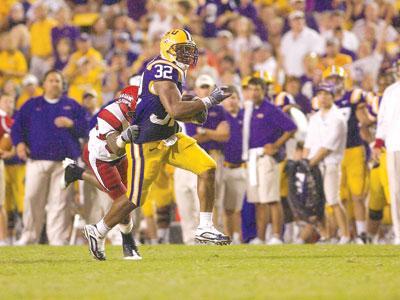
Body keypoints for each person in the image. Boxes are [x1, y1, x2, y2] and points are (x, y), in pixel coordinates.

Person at [83, 28, 232, 260]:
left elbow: (170, 108)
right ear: (168, 50)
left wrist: (194, 108)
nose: (187, 55)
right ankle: (98, 230)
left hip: (170, 136)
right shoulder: (163, 70)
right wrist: (208, 101)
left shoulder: (173, 70)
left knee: (207, 167)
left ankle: (204, 227)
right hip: (147, 143)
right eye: (182, 50)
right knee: (134, 198)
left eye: (188, 50)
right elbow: (175, 109)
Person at [62, 83, 141, 259]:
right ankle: (126, 242)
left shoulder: (139, 106)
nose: (136, 115)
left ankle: (77, 173)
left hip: (120, 157)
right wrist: (125, 137)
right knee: (123, 201)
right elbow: (115, 147)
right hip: (102, 158)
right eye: (133, 112)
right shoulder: (109, 115)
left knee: (123, 198)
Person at [11, 70, 89, 245]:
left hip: (65, 162)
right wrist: (20, 144)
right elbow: (17, 128)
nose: (54, 83)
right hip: (36, 160)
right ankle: (29, 235)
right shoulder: (31, 105)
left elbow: (86, 129)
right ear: (44, 84)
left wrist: (71, 124)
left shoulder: (72, 105)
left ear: (63, 85)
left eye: (58, 81)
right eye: (51, 80)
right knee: (31, 198)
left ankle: (57, 239)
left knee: (60, 202)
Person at [242, 77, 297, 245]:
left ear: (264, 91)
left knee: (271, 198)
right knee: (258, 201)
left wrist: (275, 145)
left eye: (257, 89)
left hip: (267, 158)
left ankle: (276, 236)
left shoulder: (270, 108)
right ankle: (260, 237)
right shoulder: (248, 109)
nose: (254, 92)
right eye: (251, 89)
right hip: (252, 158)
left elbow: (291, 127)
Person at [321, 65, 371, 243]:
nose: (334, 82)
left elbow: (364, 121)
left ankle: (362, 234)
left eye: (337, 78)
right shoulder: (324, 102)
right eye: (331, 79)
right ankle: (341, 234)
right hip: (334, 153)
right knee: (337, 197)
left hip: (354, 149)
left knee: (357, 194)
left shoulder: (353, 96)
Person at [303, 83, 350, 244]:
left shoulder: (338, 118)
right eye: (320, 94)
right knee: (319, 203)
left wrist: (308, 163)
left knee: (333, 199)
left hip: (329, 164)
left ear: (333, 96)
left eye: (326, 94)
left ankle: (345, 235)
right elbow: (308, 144)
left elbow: (328, 147)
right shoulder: (315, 118)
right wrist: (305, 162)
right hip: (314, 164)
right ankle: (327, 235)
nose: (322, 98)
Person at [373, 60, 400, 245]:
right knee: (396, 191)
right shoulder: (390, 91)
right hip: (394, 144)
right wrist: (378, 142)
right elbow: (383, 120)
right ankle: (399, 234)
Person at [220, 86, 245, 244]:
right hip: (225, 165)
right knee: (226, 207)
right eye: (227, 98)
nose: (231, 101)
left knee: (238, 207)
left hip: (242, 166)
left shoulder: (245, 115)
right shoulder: (220, 117)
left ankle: (239, 236)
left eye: (234, 97)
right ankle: (229, 236)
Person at [0, 93, 14, 246]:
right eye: (6, 100)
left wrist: (8, 152)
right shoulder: (6, 121)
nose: (9, 104)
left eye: (11, 101)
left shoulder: (10, 122)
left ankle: (2, 239)